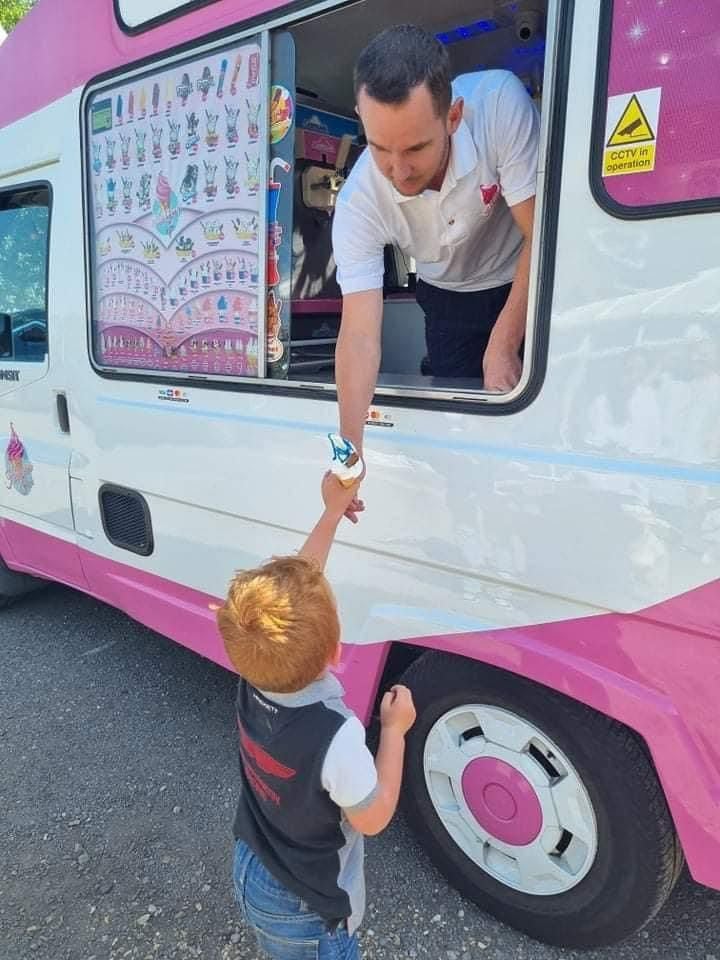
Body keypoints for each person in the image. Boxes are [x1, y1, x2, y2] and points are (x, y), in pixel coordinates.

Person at [332, 24, 540, 518]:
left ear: (453, 116)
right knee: (466, 444)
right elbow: (358, 337)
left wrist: (503, 342)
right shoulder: (360, 199)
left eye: (415, 149)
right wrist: (348, 457)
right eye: (380, 148)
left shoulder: (499, 105)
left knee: (532, 429)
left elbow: (542, 233)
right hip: (445, 300)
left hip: (525, 279)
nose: (398, 172)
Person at [215, 472, 416, 959]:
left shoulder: (255, 674)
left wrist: (331, 513)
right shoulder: (336, 736)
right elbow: (372, 818)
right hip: (307, 905)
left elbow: (301, 583)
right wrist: (394, 732)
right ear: (336, 648)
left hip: (253, 862)